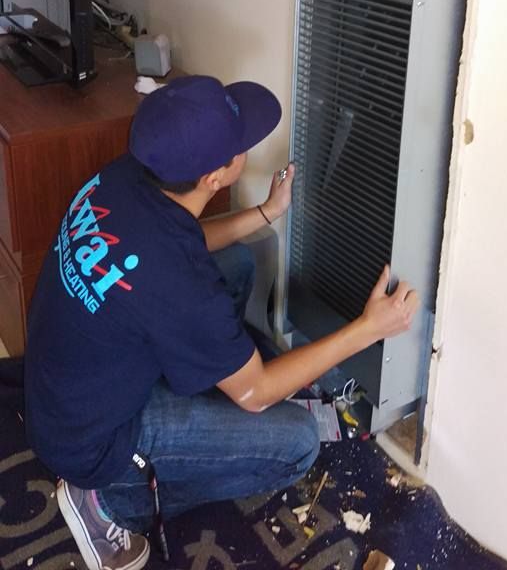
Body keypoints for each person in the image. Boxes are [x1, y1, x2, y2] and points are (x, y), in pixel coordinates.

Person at [24, 74, 419, 570]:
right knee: (296, 443)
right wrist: (367, 329)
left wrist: (266, 212)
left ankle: (189, 394)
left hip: (63, 390)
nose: (248, 146)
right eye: (241, 145)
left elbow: (180, 241)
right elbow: (256, 391)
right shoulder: (176, 281)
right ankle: (109, 503)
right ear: (216, 176)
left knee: (237, 266)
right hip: (94, 442)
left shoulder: (126, 176)